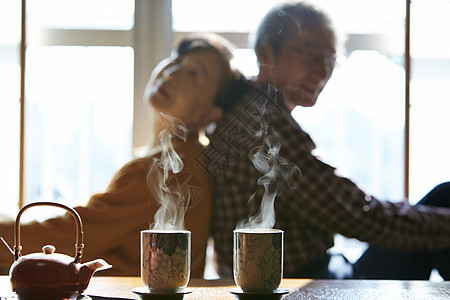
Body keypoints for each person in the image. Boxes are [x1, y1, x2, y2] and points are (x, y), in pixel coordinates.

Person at [205, 0, 450, 280]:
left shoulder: (251, 108)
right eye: (309, 54)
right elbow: (357, 215)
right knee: (446, 198)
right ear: (265, 52)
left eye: (330, 60)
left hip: (308, 273)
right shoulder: (263, 123)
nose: (322, 72)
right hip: (298, 283)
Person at [0, 33, 243, 277]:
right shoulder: (182, 159)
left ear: (208, 114)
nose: (172, 73)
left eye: (194, 73)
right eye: (176, 59)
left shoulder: (168, 171)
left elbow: (67, 237)